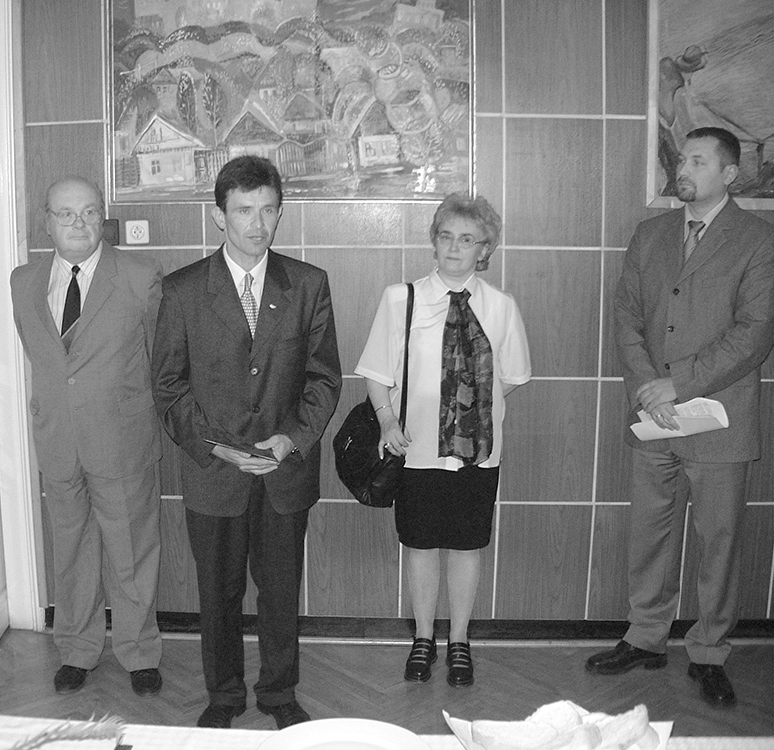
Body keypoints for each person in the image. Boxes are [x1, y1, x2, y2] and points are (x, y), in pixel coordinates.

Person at [586, 127, 774, 708]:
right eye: (681, 159)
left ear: (730, 173)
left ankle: (709, 652)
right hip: (654, 418)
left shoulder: (759, 241)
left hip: (719, 419)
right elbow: (626, 316)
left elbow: (755, 333)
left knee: (719, 542)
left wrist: (679, 383)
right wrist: (651, 388)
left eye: (697, 161)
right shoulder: (651, 235)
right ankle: (645, 637)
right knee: (650, 534)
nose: (683, 169)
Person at [151, 156, 341, 729]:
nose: (257, 224)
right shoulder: (183, 290)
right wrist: (215, 446)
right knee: (219, 594)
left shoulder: (308, 284)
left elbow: (324, 379)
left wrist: (291, 439)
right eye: (243, 211)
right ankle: (224, 695)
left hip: (284, 471)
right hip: (214, 472)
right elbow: (168, 386)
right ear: (219, 216)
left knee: (280, 594)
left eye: (268, 210)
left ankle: (279, 695)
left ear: (280, 212)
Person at [357, 194, 530, 688]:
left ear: (485, 249)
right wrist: (387, 421)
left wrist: (467, 414)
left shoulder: (500, 306)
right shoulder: (401, 298)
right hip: (415, 450)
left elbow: (511, 377)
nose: (455, 247)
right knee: (420, 545)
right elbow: (376, 372)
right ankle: (422, 638)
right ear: (434, 242)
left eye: (467, 239)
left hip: (477, 454)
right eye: (446, 236)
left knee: (467, 547)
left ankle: (459, 640)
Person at [10, 176, 165, 697]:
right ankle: (77, 649)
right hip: (58, 438)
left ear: (103, 217)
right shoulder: (23, 282)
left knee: (132, 550)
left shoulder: (140, 277)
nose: (78, 223)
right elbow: (48, 359)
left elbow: (159, 358)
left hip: (122, 438)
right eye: (65, 214)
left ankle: (138, 651)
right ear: (46, 222)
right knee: (71, 549)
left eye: (89, 211)